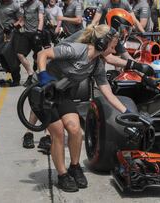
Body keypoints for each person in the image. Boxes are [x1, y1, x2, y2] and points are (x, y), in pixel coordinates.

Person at [34, 24, 129, 192]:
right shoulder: (77, 50)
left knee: (75, 129)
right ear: (101, 44)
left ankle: (74, 167)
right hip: (44, 93)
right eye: (113, 46)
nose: (114, 51)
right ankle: (62, 175)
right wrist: (43, 76)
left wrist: (127, 113)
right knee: (57, 132)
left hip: (61, 94)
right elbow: (43, 54)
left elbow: (109, 95)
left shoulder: (97, 65)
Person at [63, 8, 154, 75]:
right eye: (124, 28)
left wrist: (143, 68)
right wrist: (136, 66)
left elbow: (127, 56)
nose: (126, 32)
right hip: (66, 61)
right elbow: (109, 58)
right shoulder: (102, 35)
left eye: (128, 29)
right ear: (115, 24)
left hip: (76, 64)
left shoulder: (114, 37)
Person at [0, 0, 23, 86]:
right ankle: (9, 72)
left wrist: (12, 26)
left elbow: (21, 21)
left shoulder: (15, 5)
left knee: (10, 57)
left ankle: (16, 79)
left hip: (11, 34)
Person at [15, 0, 45, 87]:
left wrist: (38, 32)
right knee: (20, 54)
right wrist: (14, 27)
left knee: (37, 57)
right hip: (26, 34)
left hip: (36, 33)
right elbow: (22, 20)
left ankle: (38, 77)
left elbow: (41, 19)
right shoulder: (23, 5)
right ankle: (31, 74)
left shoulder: (38, 4)